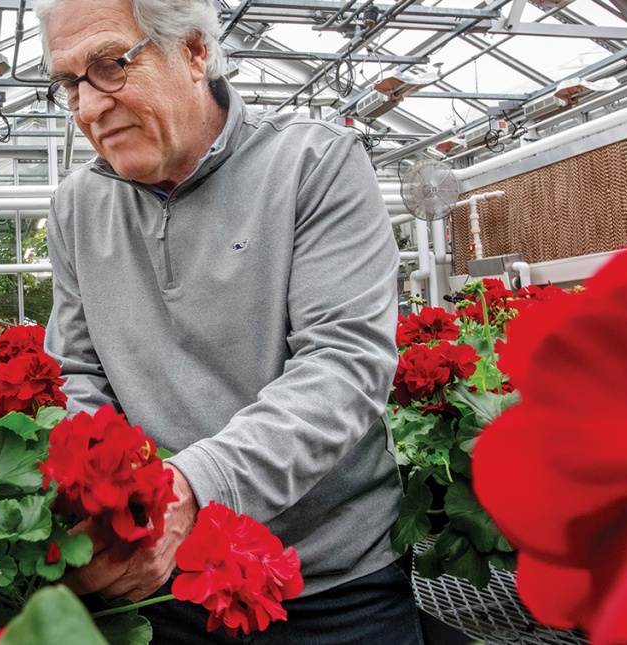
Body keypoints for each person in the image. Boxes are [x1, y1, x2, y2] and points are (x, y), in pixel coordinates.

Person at [35, 0, 421, 642]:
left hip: (327, 584)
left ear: (193, 51)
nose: (87, 107)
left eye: (108, 66)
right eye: (69, 82)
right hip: (160, 582)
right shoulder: (78, 206)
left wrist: (193, 486)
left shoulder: (315, 166)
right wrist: (118, 504)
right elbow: (77, 370)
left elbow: (344, 366)